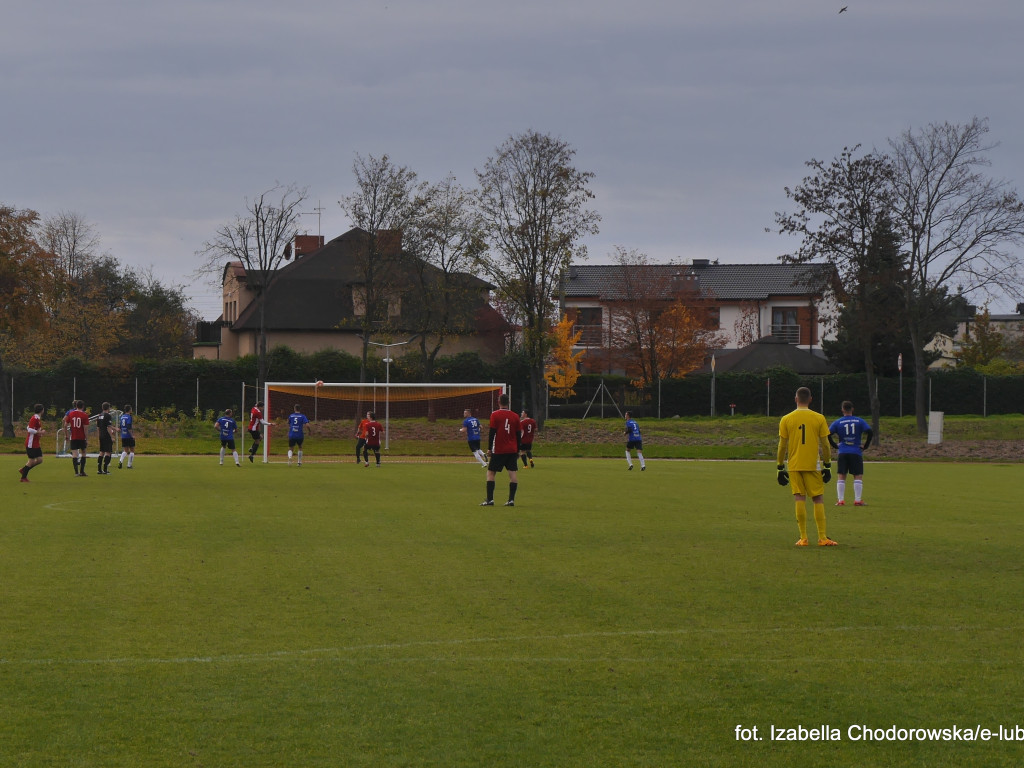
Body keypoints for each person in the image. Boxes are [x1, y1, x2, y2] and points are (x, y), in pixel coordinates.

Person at [777, 386, 836, 547]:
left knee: (799, 497)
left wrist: (780, 466)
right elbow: (825, 444)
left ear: (796, 399)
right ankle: (822, 537)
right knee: (817, 498)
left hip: (794, 464)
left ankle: (803, 538)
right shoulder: (819, 418)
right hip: (813, 464)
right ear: (810, 399)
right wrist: (828, 465)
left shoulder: (786, 419)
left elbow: (782, 446)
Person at [828, 400, 873, 506]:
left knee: (841, 476)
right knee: (857, 476)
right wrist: (865, 446)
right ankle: (857, 500)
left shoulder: (838, 422)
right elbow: (870, 432)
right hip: (856, 452)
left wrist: (834, 445)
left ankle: (840, 500)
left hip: (843, 451)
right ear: (852, 409)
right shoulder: (859, 421)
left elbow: (827, 433)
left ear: (842, 410)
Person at [481, 393, 521, 507]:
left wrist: (489, 448)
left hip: (499, 449)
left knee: (490, 473)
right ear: (508, 403)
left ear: (499, 402)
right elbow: (518, 435)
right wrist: (518, 450)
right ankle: (511, 500)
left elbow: (492, 432)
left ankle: (490, 500)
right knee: (512, 474)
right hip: (512, 450)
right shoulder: (515, 416)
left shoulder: (495, 415)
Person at [19, 404, 46, 482]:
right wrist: (39, 432)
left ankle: (24, 469)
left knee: (40, 460)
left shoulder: (37, 418)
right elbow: (29, 429)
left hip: (36, 443)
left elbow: (28, 427)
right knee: (31, 460)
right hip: (31, 444)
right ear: (42, 410)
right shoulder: (34, 418)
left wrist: (39, 433)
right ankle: (23, 478)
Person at [64, 399, 90, 477]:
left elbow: (65, 425)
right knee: (84, 452)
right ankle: (82, 471)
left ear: (76, 406)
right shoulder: (85, 415)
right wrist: (87, 438)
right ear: (83, 406)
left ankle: (76, 472)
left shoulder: (71, 414)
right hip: (81, 437)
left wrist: (66, 435)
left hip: (73, 436)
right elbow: (85, 428)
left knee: (74, 454)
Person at [96, 402, 116, 474]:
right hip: (107, 436)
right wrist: (111, 437)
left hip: (101, 435)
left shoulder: (99, 415)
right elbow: (108, 427)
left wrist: (99, 435)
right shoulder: (108, 415)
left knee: (101, 452)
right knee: (108, 452)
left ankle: (99, 469)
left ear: (102, 408)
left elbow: (98, 427)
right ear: (108, 408)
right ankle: (105, 469)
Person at [118, 404, 136, 469]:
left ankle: (120, 461)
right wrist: (132, 435)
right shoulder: (129, 417)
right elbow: (128, 427)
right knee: (132, 450)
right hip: (128, 436)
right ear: (130, 410)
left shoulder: (122, 417)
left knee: (125, 450)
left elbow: (120, 427)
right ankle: (129, 465)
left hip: (123, 435)